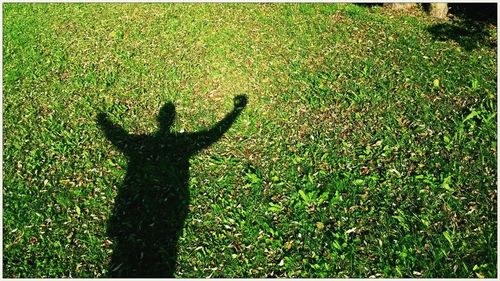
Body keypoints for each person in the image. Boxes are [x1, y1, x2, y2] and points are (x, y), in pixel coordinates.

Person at [96, 95, 247, 277]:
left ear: (158, 119)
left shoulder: (144, 144)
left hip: (139, 217)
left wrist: (103, 122)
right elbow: (211, 135)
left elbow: (119, 138)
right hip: (168, 217)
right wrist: (235, 112)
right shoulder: (180, 144)